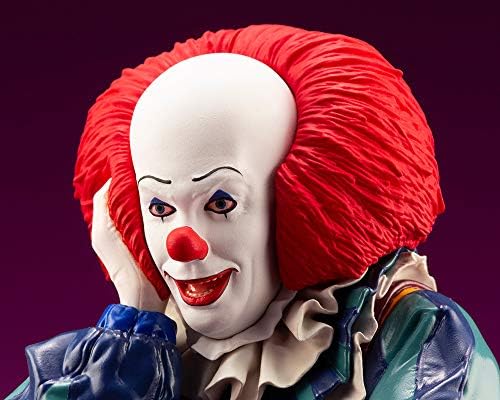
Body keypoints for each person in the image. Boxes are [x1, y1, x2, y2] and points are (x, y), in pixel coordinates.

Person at [7, 24, 499, 400]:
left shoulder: (412, 334)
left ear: (302, 202)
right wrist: (134, 318)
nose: (183, 244)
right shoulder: (130, 352)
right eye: (159, 206)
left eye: (220, 203)